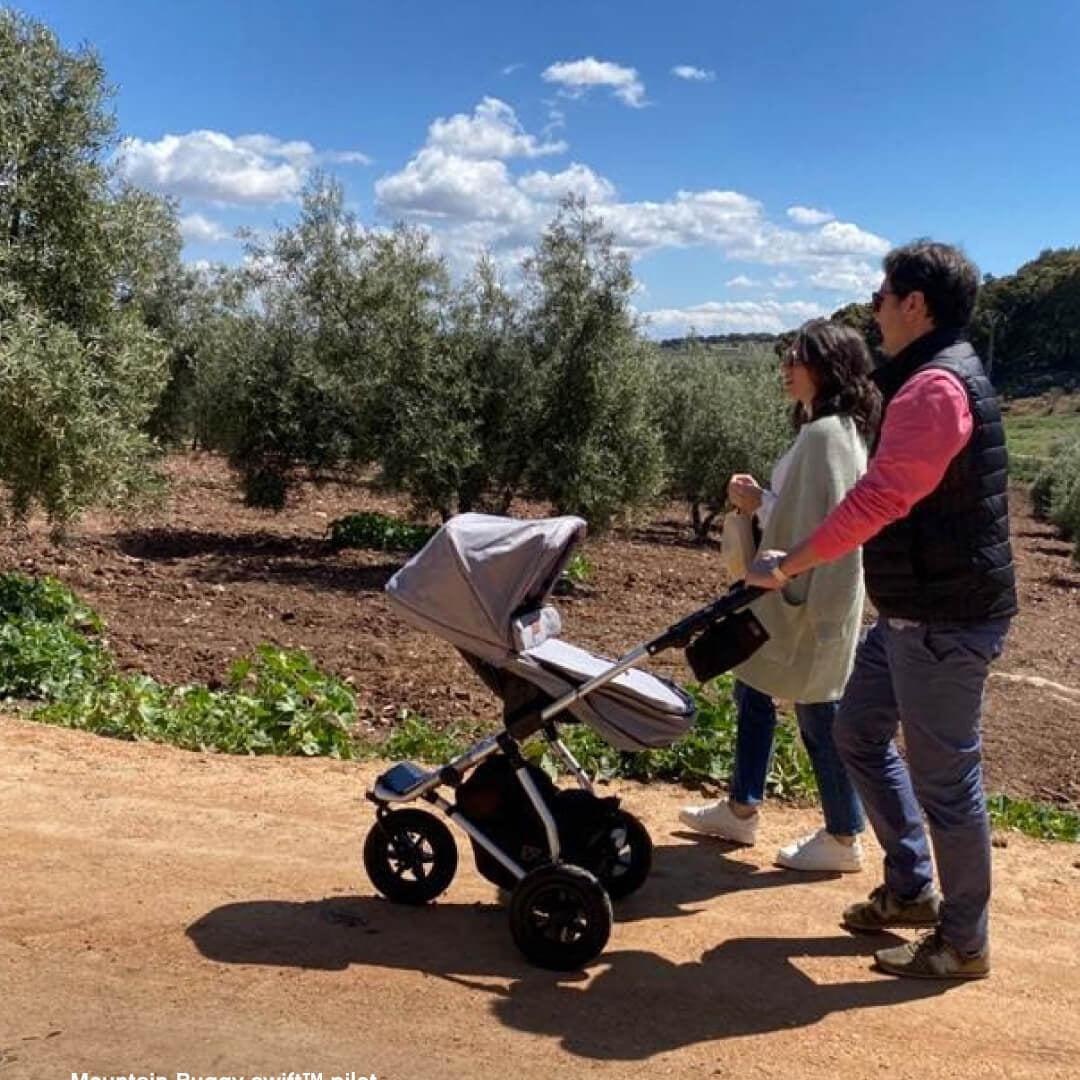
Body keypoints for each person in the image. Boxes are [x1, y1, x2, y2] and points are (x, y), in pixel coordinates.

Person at [746, 240, 1016, 980]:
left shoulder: (934, 388)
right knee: (857, 731)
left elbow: (882, 497)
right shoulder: (932, 376)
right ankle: (911, 890)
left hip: (943, 619)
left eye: (881, 295)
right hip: (914, 612)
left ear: (915, 306)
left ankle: (963, 943)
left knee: (946, 780)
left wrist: (790, 561)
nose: (873, 308)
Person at [680, 320, 881, 873]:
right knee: (754, 688)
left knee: (818, 711)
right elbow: (813, 515)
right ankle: (742, 807)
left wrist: (752, 503)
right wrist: (765, 502)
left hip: (801, 593)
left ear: (826, 367)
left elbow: (810, 526)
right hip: (803, 591)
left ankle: (843, 837)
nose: (786, 367)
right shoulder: (836, 430)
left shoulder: (823, 436)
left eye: (797, 358)